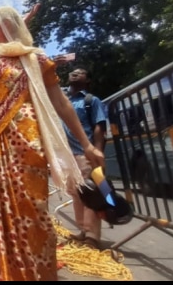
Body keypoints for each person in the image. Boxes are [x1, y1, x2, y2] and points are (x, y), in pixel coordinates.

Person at [0, 7, 104, 281]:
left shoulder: (34, 59)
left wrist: (87, 144)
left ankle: (33, 273)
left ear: (6, 24)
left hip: (27, 146)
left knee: (29, 210)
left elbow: (61, 103)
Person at [61, 66, 107, 249]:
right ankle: (83, 230)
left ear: (87, 81)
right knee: (76, 194)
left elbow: (99, 127)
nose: (74, 73)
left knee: (91, 194)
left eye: (80, 72)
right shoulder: (63, 99)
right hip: (68, 156)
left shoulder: (91, 101)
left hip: (84, 154)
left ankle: (92, 236)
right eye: (73, 72)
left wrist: (97, 151)